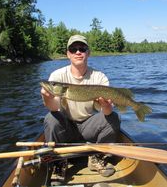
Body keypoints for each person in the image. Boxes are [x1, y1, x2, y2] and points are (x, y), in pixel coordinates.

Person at [41, 34, 120, 178]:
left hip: (89, 126)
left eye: (82, 48)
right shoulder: (57, 76)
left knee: (113, 117)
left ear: (88, 53)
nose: (78, 52)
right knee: (50, 118)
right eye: (73, 49)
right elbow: (54, 108)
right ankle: (59, 163)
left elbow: (107, 112)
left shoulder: (99, 77)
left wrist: (106, 105)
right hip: (67, 126)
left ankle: (96, 157)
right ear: (68, 54)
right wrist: (47, 98)